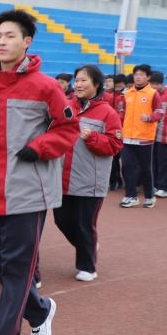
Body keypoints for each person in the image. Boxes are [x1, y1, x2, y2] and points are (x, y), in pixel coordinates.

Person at [0, 9, 77, 335]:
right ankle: (40, 310)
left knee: (16, 269)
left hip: (29, 190)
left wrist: (40, 147)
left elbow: (67, 129)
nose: (1, 41)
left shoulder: (46, 87)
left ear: (27, 42)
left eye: (9, 35)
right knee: (0, 265)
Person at [53, 64, 122, 282]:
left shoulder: (108, 113)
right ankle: (89, 245)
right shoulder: (66, 107)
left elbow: (115, 145)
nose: (79, 84)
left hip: (90, 181)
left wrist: (92, 137)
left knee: (84, 225)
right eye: (77, 80)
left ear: (97, 84)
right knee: (61, 220)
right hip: (62, 177)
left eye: (84, 80)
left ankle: (87, 266)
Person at [118, 64, 163, 208]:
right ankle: (131, 196)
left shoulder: (153, 93)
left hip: (144, 137)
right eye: (136, 74)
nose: (138, 77)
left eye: (142, 74)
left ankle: (149, 196)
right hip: (127, 136)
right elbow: (122, 113)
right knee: (126, 167)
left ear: (148, 77)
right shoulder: (127, 93)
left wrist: (149, 117)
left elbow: (159, 113)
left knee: (145, 169)